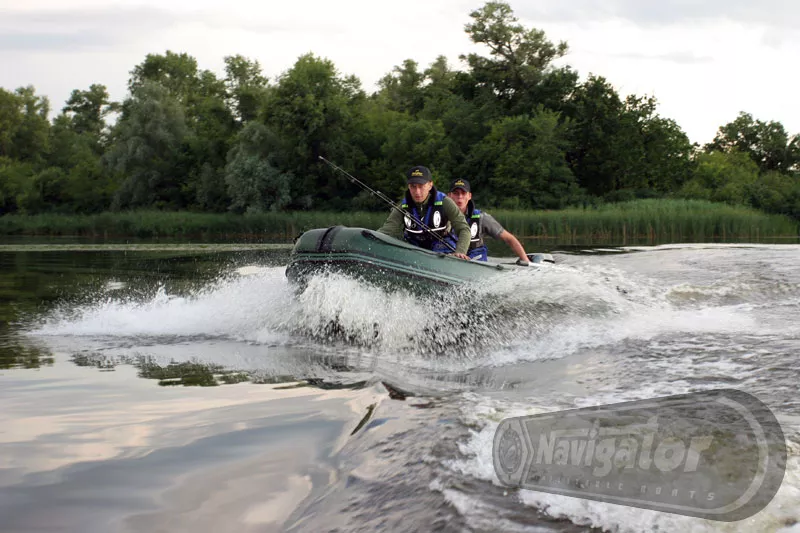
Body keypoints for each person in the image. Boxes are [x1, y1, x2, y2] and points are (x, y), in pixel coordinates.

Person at [377, 166, 471, 260]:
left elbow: (464, 229)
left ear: (430, 185)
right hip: (414, 245)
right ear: (408, 187)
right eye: (413, 186)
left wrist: (460, 252)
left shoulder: (445, 202)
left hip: (441, 245)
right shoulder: (403, 206)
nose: (417, 192)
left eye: (421, 186)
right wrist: (370, 236)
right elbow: (387, 230)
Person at [444, 178, 531, 264]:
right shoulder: (440, 215)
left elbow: (509, 238)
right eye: (456, 193)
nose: (460, 197)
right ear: (449, 196)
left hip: (475, 260)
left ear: (469, 196)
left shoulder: (482, 218)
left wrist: (526, 261)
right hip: (450, 258)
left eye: (463, 193)